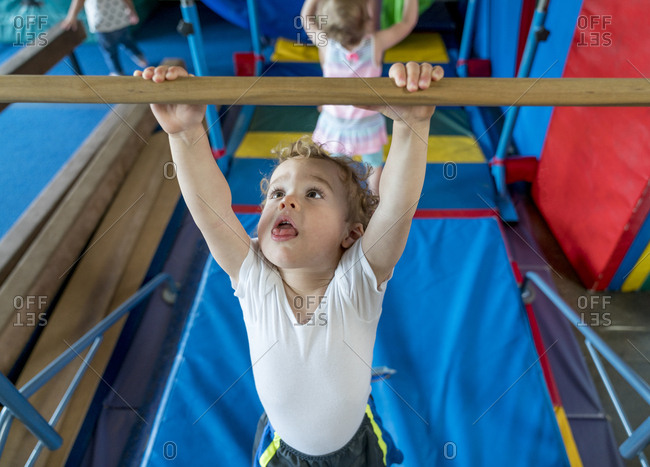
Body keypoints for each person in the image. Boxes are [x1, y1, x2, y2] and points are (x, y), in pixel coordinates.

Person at [135, 61, 443, 465]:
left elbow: (398, 209)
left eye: (313, 194)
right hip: (287, 455)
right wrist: (185, 132)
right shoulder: (254, 279)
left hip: (357, 449)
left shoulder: (358, 281)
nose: (287, 200)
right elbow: (211, 211)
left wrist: (412, 126)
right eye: (276, 192)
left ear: (350, 233)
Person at [300, 0, 419, 194]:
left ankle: (338, 198)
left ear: (327, 25)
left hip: (335, 123)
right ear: (368, 21)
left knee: (337, 166)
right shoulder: (375, 44)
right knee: (374, 165)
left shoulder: (325, 44)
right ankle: (374, 199)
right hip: (368, 123)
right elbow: (406, 23)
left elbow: (306, 18)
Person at [62, 0, 148, 76]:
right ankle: (138, 57)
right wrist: (131, 9)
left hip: (106, 22)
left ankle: (118, 71)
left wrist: (72, 16)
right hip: (117, 19)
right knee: (125, 42)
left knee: (111, 50)